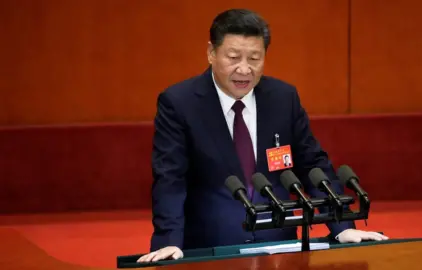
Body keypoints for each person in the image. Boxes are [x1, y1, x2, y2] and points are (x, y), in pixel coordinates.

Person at [138, 9, 388, 262]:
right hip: (211, 250)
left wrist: (342, 227)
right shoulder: (180, 103)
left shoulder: (283, 98)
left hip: (282, 249)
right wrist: (168, 240)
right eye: (233, 57)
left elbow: (312, 165)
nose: (244, 69)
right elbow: (170, 177)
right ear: (211, 53)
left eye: (255, 58)